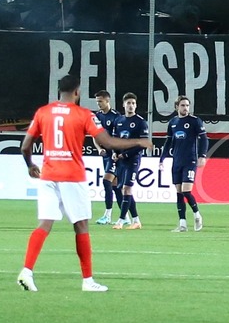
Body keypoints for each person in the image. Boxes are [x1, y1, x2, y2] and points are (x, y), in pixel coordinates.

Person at [17, 74, 152, 292]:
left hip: (48, 175)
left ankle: (27, 271)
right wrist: (137, 141)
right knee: (80, 226)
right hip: (71, 176)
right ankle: (88, 281)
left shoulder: (43, 112)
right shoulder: (83, 114)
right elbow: (106, 141)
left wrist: (30, 165)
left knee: (44, 224)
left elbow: (25, 146)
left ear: (59, 91)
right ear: (77, 92)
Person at [164, 95, 209, 231]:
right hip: (177, 161)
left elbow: (204, 139)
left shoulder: (195, 121)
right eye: (183, 105)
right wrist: (162, 158)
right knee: (178, 192)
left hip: (190, 160)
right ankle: (182, 223)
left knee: (186, 191)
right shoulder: (173, 122)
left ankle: (197, 215)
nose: (186, 108)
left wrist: (202, 155)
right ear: (177, 107)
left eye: (187, 105)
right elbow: (168, 142)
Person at [106, 92, 149, 229]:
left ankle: (120, 221)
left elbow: (142, 144)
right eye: (128, 103)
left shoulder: (140, 122)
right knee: (123, 189)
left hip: (133, 160)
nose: (131, 105)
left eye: (133, 103)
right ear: (123, 105)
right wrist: (114, 153)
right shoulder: (119, 121)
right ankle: (136, 221)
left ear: (136, 105)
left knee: (126, 188)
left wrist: (125, 155)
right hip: (120, 160)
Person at [92, 90, 121, 225]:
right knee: (115, 186)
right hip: (105, 155)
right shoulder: (97, 117)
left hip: (114, 155)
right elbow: (95, 136)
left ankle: (108, 215)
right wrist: (99, 149)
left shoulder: (116, 117)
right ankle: (125, 216)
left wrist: (115, 151)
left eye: (100, 101)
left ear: (107, 101)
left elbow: (118, 136)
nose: (98, 104)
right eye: (97, 101)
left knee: (106, 181)